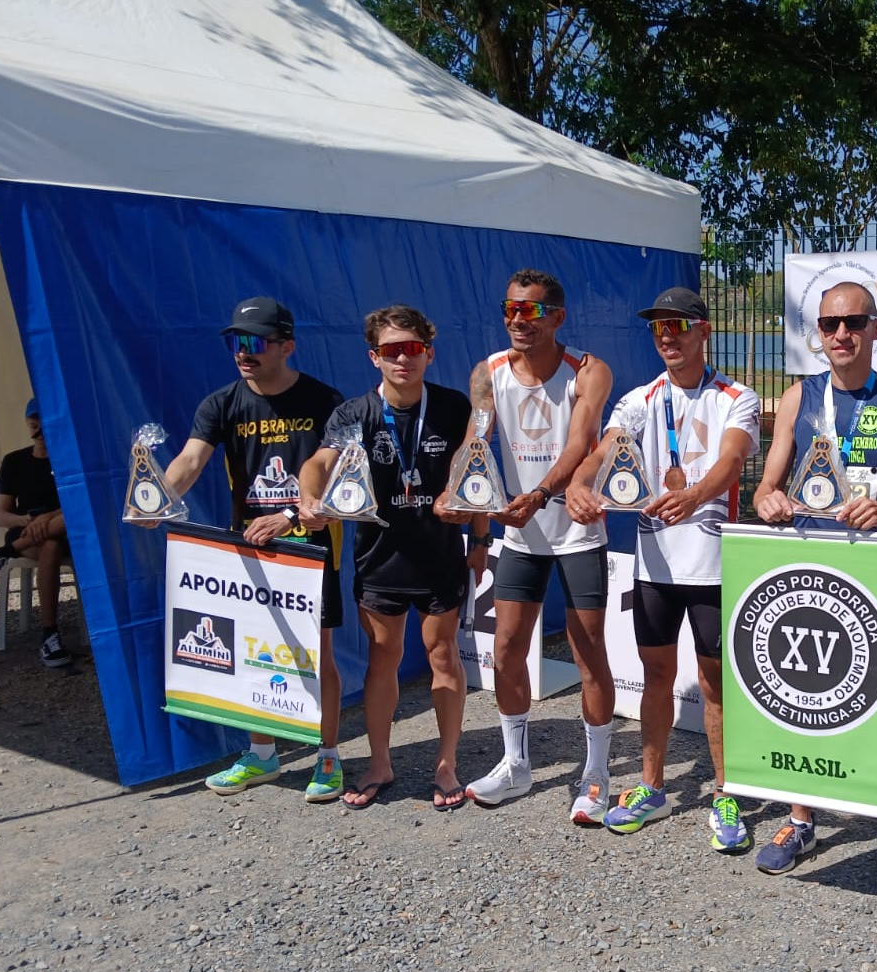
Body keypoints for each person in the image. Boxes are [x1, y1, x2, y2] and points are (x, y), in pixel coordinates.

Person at [751, 280, 877, 892]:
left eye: (854, 322)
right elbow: (763, 488)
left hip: (870, 571)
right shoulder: (796, 397)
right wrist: (769, 500)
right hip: (804, 570)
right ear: (818, 332)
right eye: (830, 324)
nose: (841, 334)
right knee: (804, 696)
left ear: (875, 328)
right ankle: (801, 818)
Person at [564, 287, 761, 850]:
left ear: (703, 331)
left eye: (678, 326)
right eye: (658, 329)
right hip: (654, 566)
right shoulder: (640, 398)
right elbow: (606, 448)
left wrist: (696, 494)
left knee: (715, 683)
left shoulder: (737, 396)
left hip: (714, 567)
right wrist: (579, 482)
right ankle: (652, 787)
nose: (667, 336)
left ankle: (726, 792)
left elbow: (729, 461)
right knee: (655, 678)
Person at [156, 298, 346, 801]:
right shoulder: (221, 403)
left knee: (317, 654)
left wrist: (292, 514)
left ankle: (328, 756)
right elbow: (190, 459)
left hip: (309, 545)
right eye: (236, 342)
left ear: (287, 346)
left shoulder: (326, 401)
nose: (244, 353)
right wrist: (157, 498)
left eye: (256, 342)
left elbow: (340, 474)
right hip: (249, 546)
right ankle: (261, 755)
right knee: (253, 654)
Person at [299, 304, 474, 810]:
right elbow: (318, 463)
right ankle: (380, 761)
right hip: (380, 557)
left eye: (413, 348)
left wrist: (480, 540)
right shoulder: (354, 414)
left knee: (443, 656)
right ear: (374, 357)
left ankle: (446, 763)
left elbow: (474, 469)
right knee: (384, 658)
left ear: (428, 353)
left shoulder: (452, 406)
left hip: (440, 554)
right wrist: (310, 499)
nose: (404, 359)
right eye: (392, 350)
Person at [462, 269, 619, 821]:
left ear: (556, 316)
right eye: (509, 309)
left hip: (574, 529)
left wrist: (540, 493)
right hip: (520, 531)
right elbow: (475, 442)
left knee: (588, 650)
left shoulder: (589, 369)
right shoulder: (489, 372)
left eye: (529, 312)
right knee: (506, 646)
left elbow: (582, 440)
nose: (516, 321)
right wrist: (463, 495)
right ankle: (516, 764)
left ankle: (597, 771)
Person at [0, 399, 73, 668]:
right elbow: (1, 514)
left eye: (43, 421)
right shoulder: (14, 461)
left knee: (68, 520)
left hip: (62, 528)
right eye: (34, 421)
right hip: (24, 532)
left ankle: (0, 555)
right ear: (28, 424)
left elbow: (75, 506)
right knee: (49, 546)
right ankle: (49, 634)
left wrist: (46, 518)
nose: (39, 428)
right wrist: (27, 520)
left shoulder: (67, 461)